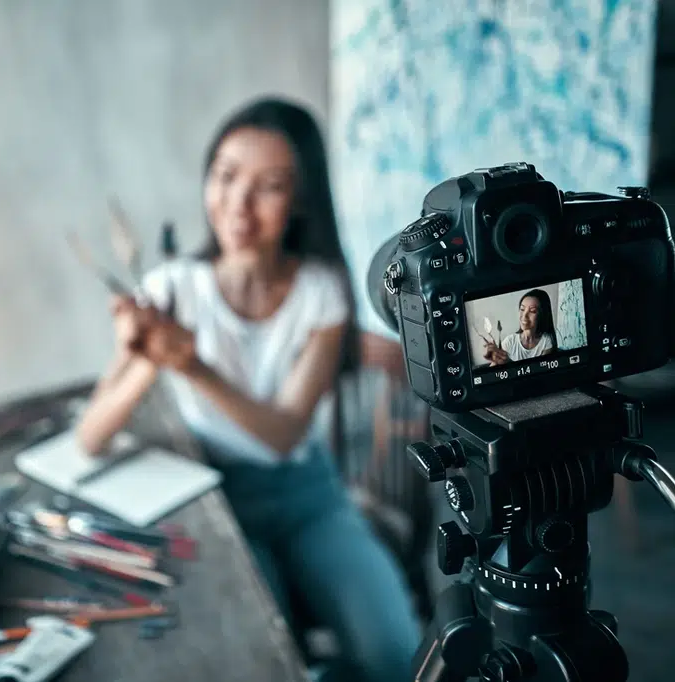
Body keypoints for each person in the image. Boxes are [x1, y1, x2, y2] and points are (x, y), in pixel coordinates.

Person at [75, 96, 420, 681]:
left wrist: (193, 367)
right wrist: (145, 358)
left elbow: (285, 436)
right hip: (219, 503)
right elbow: (90, 437)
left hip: (312, 495)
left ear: (300, 200)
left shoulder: (321, 291)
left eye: (270, 186)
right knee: (262, 662)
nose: (238, 204)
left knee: (398, 655)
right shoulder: (169, 288)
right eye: (226, 176)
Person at [483, 288, 557, 366]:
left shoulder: (546, 341)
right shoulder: (510, 342)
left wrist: (509, 362)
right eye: (522, 309)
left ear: (542, 315)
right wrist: (496, 360)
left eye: (532, 311)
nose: (524, 316)